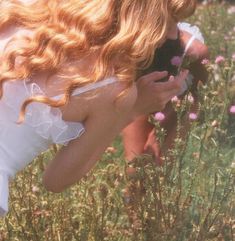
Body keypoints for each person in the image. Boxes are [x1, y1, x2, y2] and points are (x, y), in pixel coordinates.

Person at [0, 0, 190, 216]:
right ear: (146, 18)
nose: (173, 35)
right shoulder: (113, 90)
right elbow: (56, 180)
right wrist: (132, 110)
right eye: (170, 20)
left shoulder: (30, 9)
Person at [122, 0, 209, 166]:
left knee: (159, 163)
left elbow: (198, 91)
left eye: (176, 21)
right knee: (134, 166)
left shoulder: (195, 52)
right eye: (162, 22)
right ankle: (132, 191)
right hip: (140, 98)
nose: (173, 33)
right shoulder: (130, 45)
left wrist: (162, 123)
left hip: (179, 104)